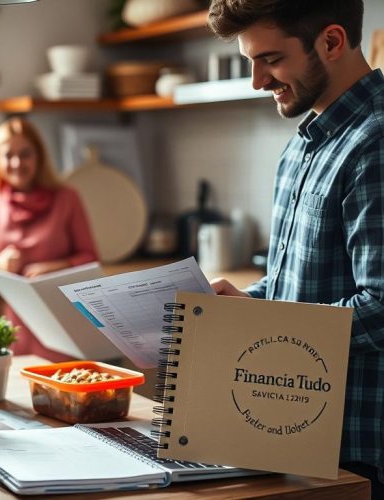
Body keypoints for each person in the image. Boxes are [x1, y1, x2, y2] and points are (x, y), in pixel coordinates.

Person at [207, 0, 383, 493]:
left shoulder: (376, 142)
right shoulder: (304, 143)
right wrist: (244, 304)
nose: (258, 81)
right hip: (293, 432)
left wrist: (262, 321)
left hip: (355, 448)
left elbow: (382, 307)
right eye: (251, 62)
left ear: (330, 42)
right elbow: (298, 286)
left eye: (271, 59)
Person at [0, 117, 100, 362]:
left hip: (58, 318)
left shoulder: (67, 198)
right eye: (8, 155)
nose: (17, 162)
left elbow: (90, 257)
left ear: (39, 156)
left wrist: (54, 267)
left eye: (25, 153)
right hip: (10, 319)